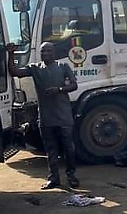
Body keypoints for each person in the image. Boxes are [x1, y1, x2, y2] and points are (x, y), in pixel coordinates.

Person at [7, 42, 80, 190]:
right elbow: (15, 72)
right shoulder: (35, 68)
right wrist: (11, 54)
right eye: (43, 51)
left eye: (48, 51)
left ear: (54, 52)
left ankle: (71, 175)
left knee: (68, 148)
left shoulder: (62, 66)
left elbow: (74, 85)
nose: (45, 53)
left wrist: (59, 89)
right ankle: (53, 178)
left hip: (64, 116)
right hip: (46, 117)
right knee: (50, 149)